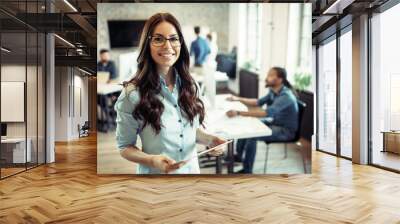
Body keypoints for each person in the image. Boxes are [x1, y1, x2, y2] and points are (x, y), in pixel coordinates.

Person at [114, 12, 227, 174]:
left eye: (173, 39)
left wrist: (210, 140)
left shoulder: (191, 84)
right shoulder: (131, 94)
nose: (167, 46)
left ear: (180, 43)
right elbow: (125, 147)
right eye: (158, 39)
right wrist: (152, 160)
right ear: (148, 44)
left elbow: (187, 130)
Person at [225, 67, 299, 174]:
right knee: (248, 125)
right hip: (275, 122)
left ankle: (247, 170)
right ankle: (239, 156)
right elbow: (258, 102)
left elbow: (266, 113)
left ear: (280, 79)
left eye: (271, 75)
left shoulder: (286, 96)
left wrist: (238, 112)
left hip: (286, 131)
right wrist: (237, 98)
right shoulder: (274, 91)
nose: (267, 78)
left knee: (252, 135)